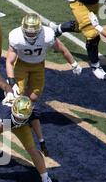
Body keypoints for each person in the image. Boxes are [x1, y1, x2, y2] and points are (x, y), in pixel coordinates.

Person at [5, 13, 82, 156]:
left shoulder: (47, 35)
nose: (30, 34)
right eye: (27, 31)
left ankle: (26, 113)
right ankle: (14, 119)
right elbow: (9, 61)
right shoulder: (16, 37)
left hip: (38, 65)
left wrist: (74, 63)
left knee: (34, 97)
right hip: (21, 65)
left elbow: (62, 49)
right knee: (17, 93)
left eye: (32, 32)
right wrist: (11, 81)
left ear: (39, 29)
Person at [49, 0, 106, 80]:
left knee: (81, 26)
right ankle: (95, 67)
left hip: (92, 1)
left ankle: (57, 29)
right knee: (92, 33)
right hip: (80, 1)